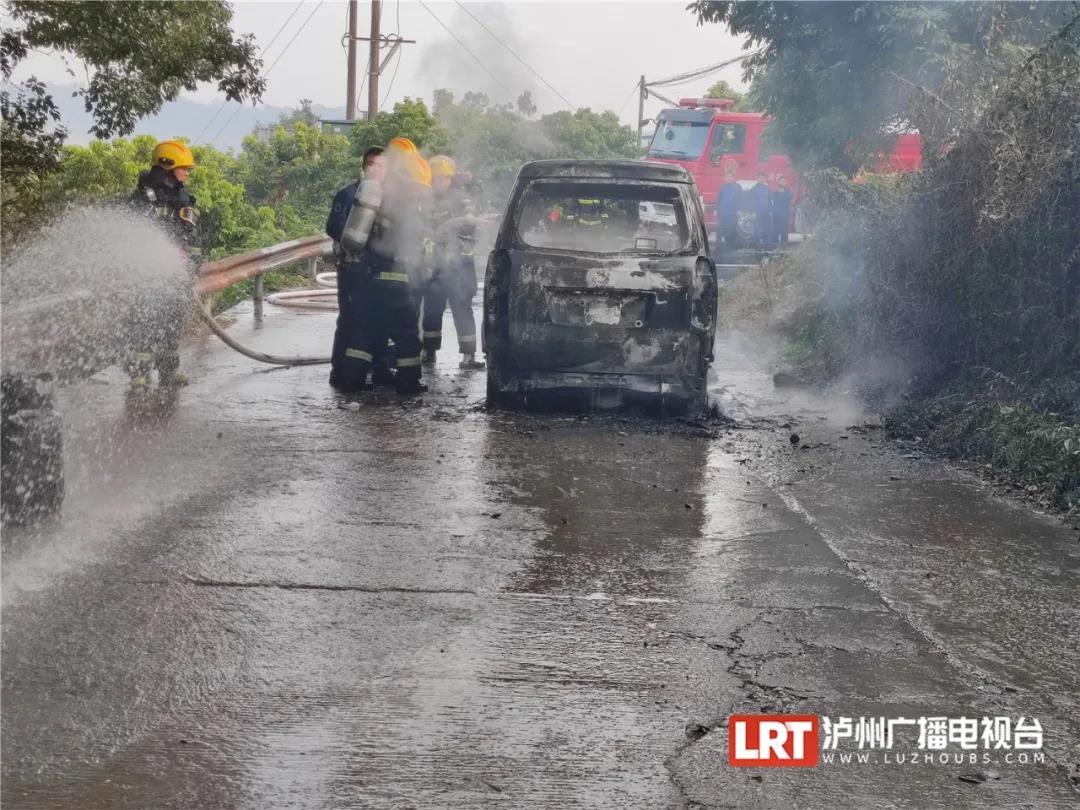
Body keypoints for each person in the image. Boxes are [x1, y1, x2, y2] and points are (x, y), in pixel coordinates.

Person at [333, 142, 429, 395]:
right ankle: (408, 383)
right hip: (395, 283)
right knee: (408, 335)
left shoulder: (376, 198)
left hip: (368, 279)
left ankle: (351, 380)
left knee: (364, 332)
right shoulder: (403, 205)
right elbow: (411, 245)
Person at [126, 139, 201, 388]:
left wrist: (191, 262)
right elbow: (131, 236)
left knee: (171, 322)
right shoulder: (143, 198)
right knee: (144, 323)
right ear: (167, 166)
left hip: (175, 275)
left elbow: (191, 236)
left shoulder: (182, 197)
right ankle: (139, 373)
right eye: (184, 168)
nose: (187, 173)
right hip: (145, 275)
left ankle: (168, 371)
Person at [325, 145, 392, 389]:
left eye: (382, 166)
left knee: (379, 318)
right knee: (350, 318)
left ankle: (378, 370)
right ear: (364, 167)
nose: (377, 170)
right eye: (372, 164)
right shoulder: (348, 194)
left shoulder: (390, 197)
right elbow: (332, 227)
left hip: (379, 269)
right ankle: (339, 371)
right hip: (351, 267)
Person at [418, 155, 484, 369]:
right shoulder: (424, 199)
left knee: (462, 306)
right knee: (432, 308)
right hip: (434, 263)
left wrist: (467, 219)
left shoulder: (461, 198)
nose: (440, 182)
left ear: (450, 179)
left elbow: (471, 216)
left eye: (444, 178)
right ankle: (428, 351)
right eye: (437, 178)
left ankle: (468, 355)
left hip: (460, 265)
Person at [714, 167, 742, 258]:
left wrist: (739, 209)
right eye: (727, 177)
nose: (728, 178)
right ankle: (718, 247)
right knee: (720, 230)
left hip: (733, 212)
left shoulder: (738, 187)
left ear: (733, 178)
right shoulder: (723, 187)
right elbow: (719, 199)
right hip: (723, 212)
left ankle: (731, 247)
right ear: (725, 178)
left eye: (730, 177)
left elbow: (740, 199)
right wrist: (716, 209)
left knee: (733, 230)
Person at [750, 171, 772, 250]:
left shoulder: (767, 188)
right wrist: (753, 212)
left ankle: (767, 248)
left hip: (766, 213)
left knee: (767, 230)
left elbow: (769, 201)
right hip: (757, 213)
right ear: (757, 178)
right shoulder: (754, 189)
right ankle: (758, 247)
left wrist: (770, 211)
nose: (761, 179)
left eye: (763, 178)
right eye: (760, 178)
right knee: (758, 230)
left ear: (765, 179)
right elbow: (752, 202)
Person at [771, 175, 794, 246]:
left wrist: (783, 191)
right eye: (781, 181)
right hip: (776, 214)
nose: (783, 182)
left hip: (785, 214)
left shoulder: (788, 192)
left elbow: (790, 196)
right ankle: (774, 244)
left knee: (784, 230)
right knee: (776, 229)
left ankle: (784, 244)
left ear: (786, 183)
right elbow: (771, 198)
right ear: (778, 182)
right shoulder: (774, 191)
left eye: (784, 181)